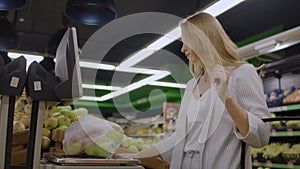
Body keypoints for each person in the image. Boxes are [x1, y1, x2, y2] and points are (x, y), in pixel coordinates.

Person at [118, 12, 271, 169]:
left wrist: (227, 99)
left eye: (187, 42)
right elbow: (179, 139)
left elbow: (262, 136)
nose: (183, 49)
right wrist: (134, 157)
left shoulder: (242, 73)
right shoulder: (192, 84)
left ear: (203, 41)